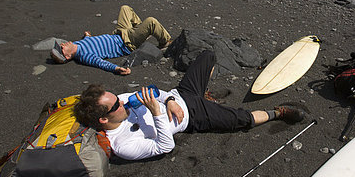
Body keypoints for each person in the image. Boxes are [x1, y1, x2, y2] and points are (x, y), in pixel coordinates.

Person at [73, 50, 305, 160]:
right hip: (193, 116)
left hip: (182, 94)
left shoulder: (121, 101)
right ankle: (278, 112)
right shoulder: (123, 145)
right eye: (115, 105)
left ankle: (203, 93)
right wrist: (157, 114)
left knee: (208, 55)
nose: (121, 102)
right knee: (244, 120)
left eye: (116, 98)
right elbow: (165, 147)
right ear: (104, 119)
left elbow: (156, 92)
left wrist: (170, 100)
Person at [50, 5, 171, 75]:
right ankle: (165, 42)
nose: (63, 44)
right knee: (151, 21)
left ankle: (140, 30)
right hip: (127, 42)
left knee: (125, 8)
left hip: (119, 33)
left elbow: (89, 42)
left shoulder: (77, 44)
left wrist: (87, 36)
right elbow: (101, 63)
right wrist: (117, 69)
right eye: (62, 47)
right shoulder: (84, 56)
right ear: (67, 56)